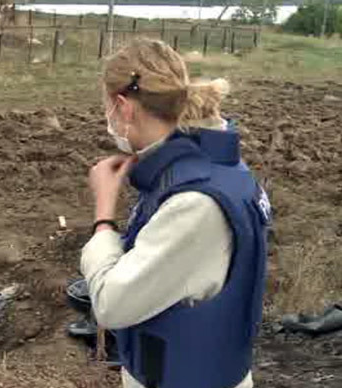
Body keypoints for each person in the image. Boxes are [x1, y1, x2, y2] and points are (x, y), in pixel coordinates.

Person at [80, 39, 270, 388]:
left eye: (107, 106)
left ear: (123, 107)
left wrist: (104, 214)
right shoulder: (214, 166)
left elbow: (111, 305)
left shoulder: (194, 202)